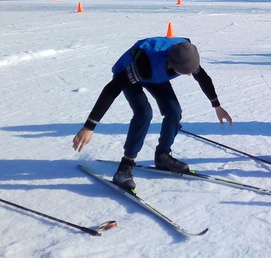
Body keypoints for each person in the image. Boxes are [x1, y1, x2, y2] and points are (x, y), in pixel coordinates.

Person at [72, 37, 232, 190]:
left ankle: (163, 156)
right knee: (144, 113)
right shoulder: (145, 64)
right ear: (174, 64)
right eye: (186, 72)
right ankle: (124, 168)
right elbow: (112, 89)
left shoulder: (186, 53)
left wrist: (217, 106)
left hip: (157, 74)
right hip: (129, 73)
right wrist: (89, 126)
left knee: (174, 111)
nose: (190, 74)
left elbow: (202, 77)